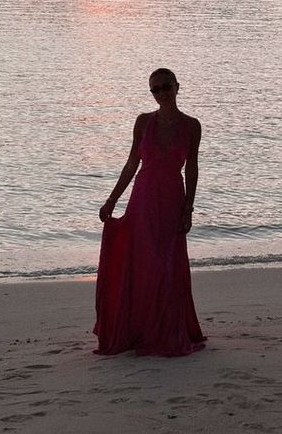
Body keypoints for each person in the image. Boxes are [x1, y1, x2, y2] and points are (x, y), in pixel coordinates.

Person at [93, 67, 206, 356]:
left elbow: (191, 168)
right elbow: (132, 164)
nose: (161, 93)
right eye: (155, 89)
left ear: (177, 87)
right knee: (143, 265)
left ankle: (166, 329)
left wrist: (189, 208)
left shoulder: (192, 126)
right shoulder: (143, 122)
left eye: (165, 86)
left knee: (166, 264)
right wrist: (111, 200)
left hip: (171, 199)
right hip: (142, 199)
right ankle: (140, 329)